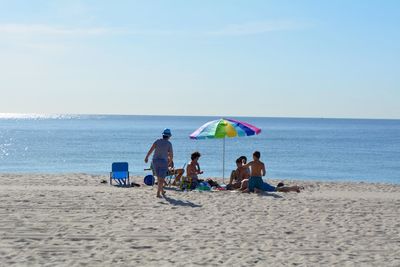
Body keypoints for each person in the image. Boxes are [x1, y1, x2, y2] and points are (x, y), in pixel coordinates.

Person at [145, 128, 173, 198]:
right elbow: (171, 154)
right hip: (163, 162)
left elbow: (151, 150)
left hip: (155, 161)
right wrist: (170, 161)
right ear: (169, 136)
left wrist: (147, 157)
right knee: (161, 179)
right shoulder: (169, 144)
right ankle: (158, 193)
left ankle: (162, 191)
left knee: (159, 177)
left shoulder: (157, 141)